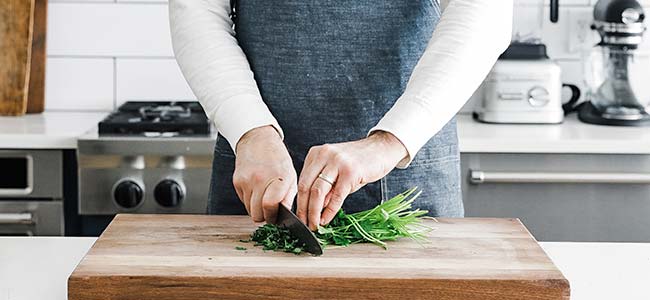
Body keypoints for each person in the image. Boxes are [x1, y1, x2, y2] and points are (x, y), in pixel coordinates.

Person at [170, 0, 512, 230]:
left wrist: (389, 142)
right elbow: (197, 15)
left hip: (406, 172)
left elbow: (484, 12)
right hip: (257, 173)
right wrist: (251, 131)